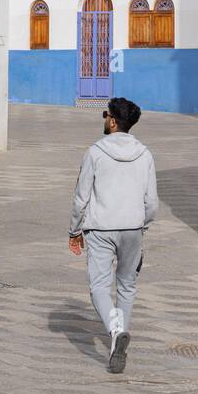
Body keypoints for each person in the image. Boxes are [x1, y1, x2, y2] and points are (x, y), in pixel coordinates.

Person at [68, 97, 158, 374]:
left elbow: (81, 197)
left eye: (105, 114)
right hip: (133, 229)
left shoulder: (95, 152)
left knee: (98, 287)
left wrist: (74, 230)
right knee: (127, 286)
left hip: (100, 229)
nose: (104, 119)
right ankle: (118, 339)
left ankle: (116, 332)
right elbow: (152, 202)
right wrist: (141, 227)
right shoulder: (145, 154)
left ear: (113, 121)